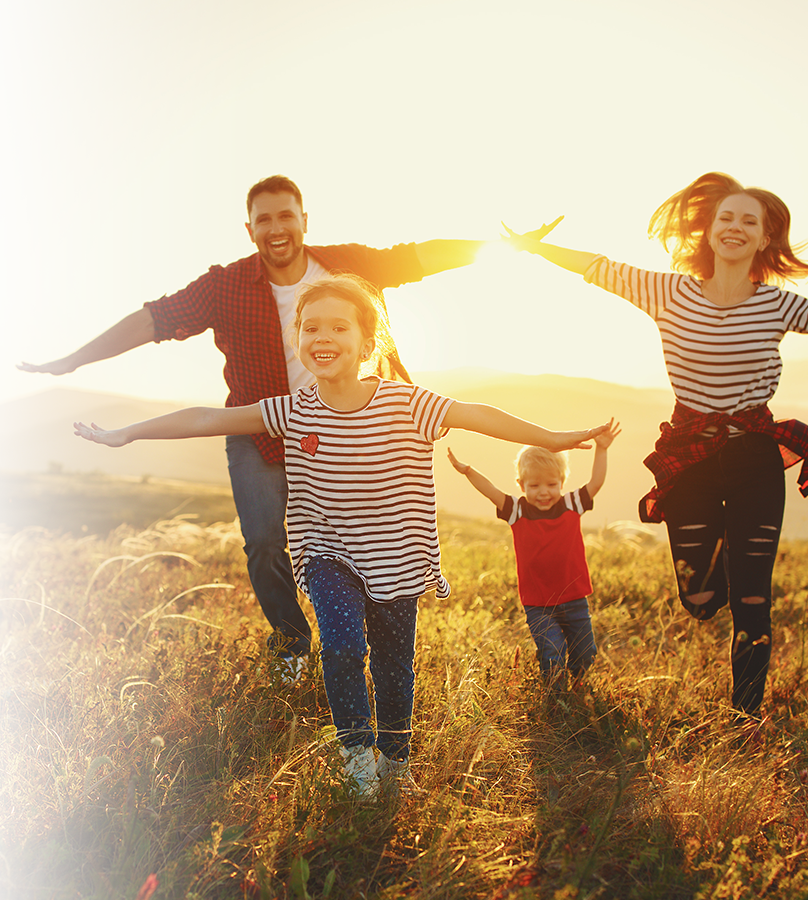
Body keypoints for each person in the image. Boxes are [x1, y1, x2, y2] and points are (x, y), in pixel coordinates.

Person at [73, 272, 610, 798]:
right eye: (310, 328)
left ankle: (395, 758)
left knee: (395, 665)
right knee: (342, 642)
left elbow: (477, 415)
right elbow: (209, 417)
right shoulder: (293, 410)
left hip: (398, 557)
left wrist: (556, 437)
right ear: (298, 339)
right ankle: (355, 755)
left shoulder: (408, 403)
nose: (322, 338)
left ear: (367, 343)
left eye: (338, 328)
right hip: (326, 553)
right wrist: (131, 432)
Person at [17, 174, 513, 681]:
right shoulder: (226, 285)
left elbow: (420, 257)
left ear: (303, 221)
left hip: (352, 429)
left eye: (285, 216)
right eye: (264, 220)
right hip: (261, 428)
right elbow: (154, 320)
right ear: (250, 228)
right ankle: (293, 644)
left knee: (363, 537)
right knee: (263, 540)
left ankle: (362, 635)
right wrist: (73, 361)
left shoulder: (347, 264)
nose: (276, 229)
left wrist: (506, 245)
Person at [502, 172, 808, 726]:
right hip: (689, 457)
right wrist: (535, 246)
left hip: (754, 454)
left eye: (749, 221)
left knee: (754, 600)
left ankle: (745, 718)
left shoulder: (780, 306)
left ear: (765, 239)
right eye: (726, 218)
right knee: (699, 597)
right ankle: (733, 575)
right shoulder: (668, 291)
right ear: (710, 231)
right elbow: (598, 267)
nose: (735, 227)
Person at [447, 421, 620, 687]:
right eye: (534, 485)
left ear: (562, 482)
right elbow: (491, 491)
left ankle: (579, 689)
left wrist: (602, 449)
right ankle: (556, 699)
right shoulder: (517, 511)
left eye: (551, 484)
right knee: (552, 653)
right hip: (538, 604)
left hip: (574, 598)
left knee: (586, 654)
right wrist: (468, 471)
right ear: (521, 484)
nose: (543, 492)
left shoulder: (571, 504)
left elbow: (595, 482)